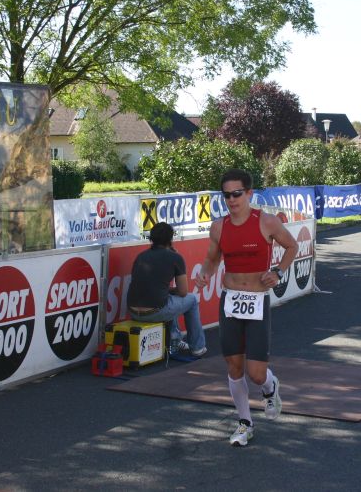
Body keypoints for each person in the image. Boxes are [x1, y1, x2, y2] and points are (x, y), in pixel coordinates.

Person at [195, 169, 298, 447]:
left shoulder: (266, 222)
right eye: (226, 195)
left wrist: (277, 271)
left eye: (237, 194)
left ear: (249, 193)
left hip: (256, 301)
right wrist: (205, 273)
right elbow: (212, 259)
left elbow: (292, 246)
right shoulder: (219, 227)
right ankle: (245, 422)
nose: (232, 200)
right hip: (230, 300)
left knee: (256, 373)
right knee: (234, 366)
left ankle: (270, 387)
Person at [127, 222, 206, 356]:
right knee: (192, 299)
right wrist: (170, 290)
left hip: (133, 311)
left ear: (151, 238)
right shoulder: (175, 257)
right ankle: (197, 347)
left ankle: (175, 339)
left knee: (169, 299)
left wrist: (167, 291)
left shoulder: (140, 256)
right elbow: (183, 292)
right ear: (170, 239)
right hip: (155, 312)